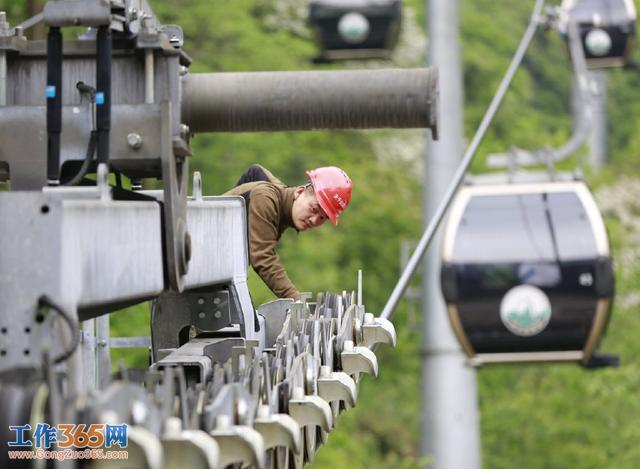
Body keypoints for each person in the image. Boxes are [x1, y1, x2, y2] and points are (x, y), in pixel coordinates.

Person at [225, 164, 352, 300]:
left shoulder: (282, 199)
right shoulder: (266, 197)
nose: (314, 220)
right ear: (299, 192)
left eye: (322, 218)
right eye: (314, 209)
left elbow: (256, 171)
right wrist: (296, 300)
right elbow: (263, 257)